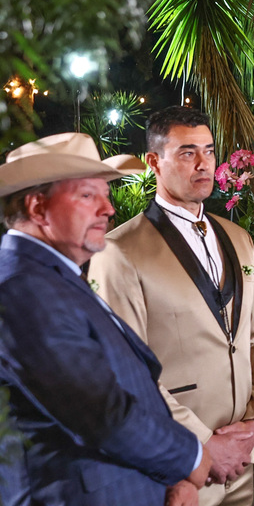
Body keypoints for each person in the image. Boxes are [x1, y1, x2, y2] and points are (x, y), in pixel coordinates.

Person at [0, 132, 212, 506]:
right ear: (37, 208)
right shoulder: (24, 287)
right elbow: (102, 414)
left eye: (105, 194)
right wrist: (191, 458)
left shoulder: (51, 277)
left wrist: (169, 481)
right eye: (87, 195)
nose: (108, 209)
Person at [90, 108, 254, 506]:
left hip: (241, 458)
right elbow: (128, 370)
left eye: (208, 151)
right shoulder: (119, 251)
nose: (203, 164)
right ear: (154, 161)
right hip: (177, 466)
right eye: (187, 152)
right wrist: (205, 442)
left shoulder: (238, 238)